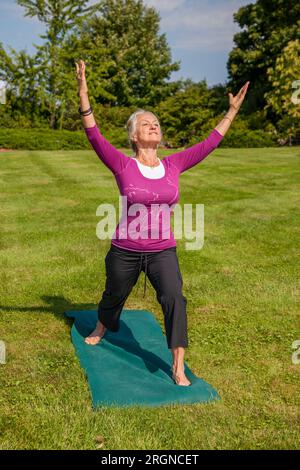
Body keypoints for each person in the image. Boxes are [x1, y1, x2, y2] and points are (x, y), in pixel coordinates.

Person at [75, 60, 250, 386]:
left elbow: (209, 144)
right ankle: (102, 325)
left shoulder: (174, 164)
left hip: (162, 251)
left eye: (156, 122)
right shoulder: (121, 164)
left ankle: (178, 365)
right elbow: (94, 135)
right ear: (133, 135)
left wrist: (232, 112)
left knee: (174, 298)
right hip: (124, 249)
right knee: (113, 295)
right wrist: (83, 93)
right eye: (145, 123)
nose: (153, 125)